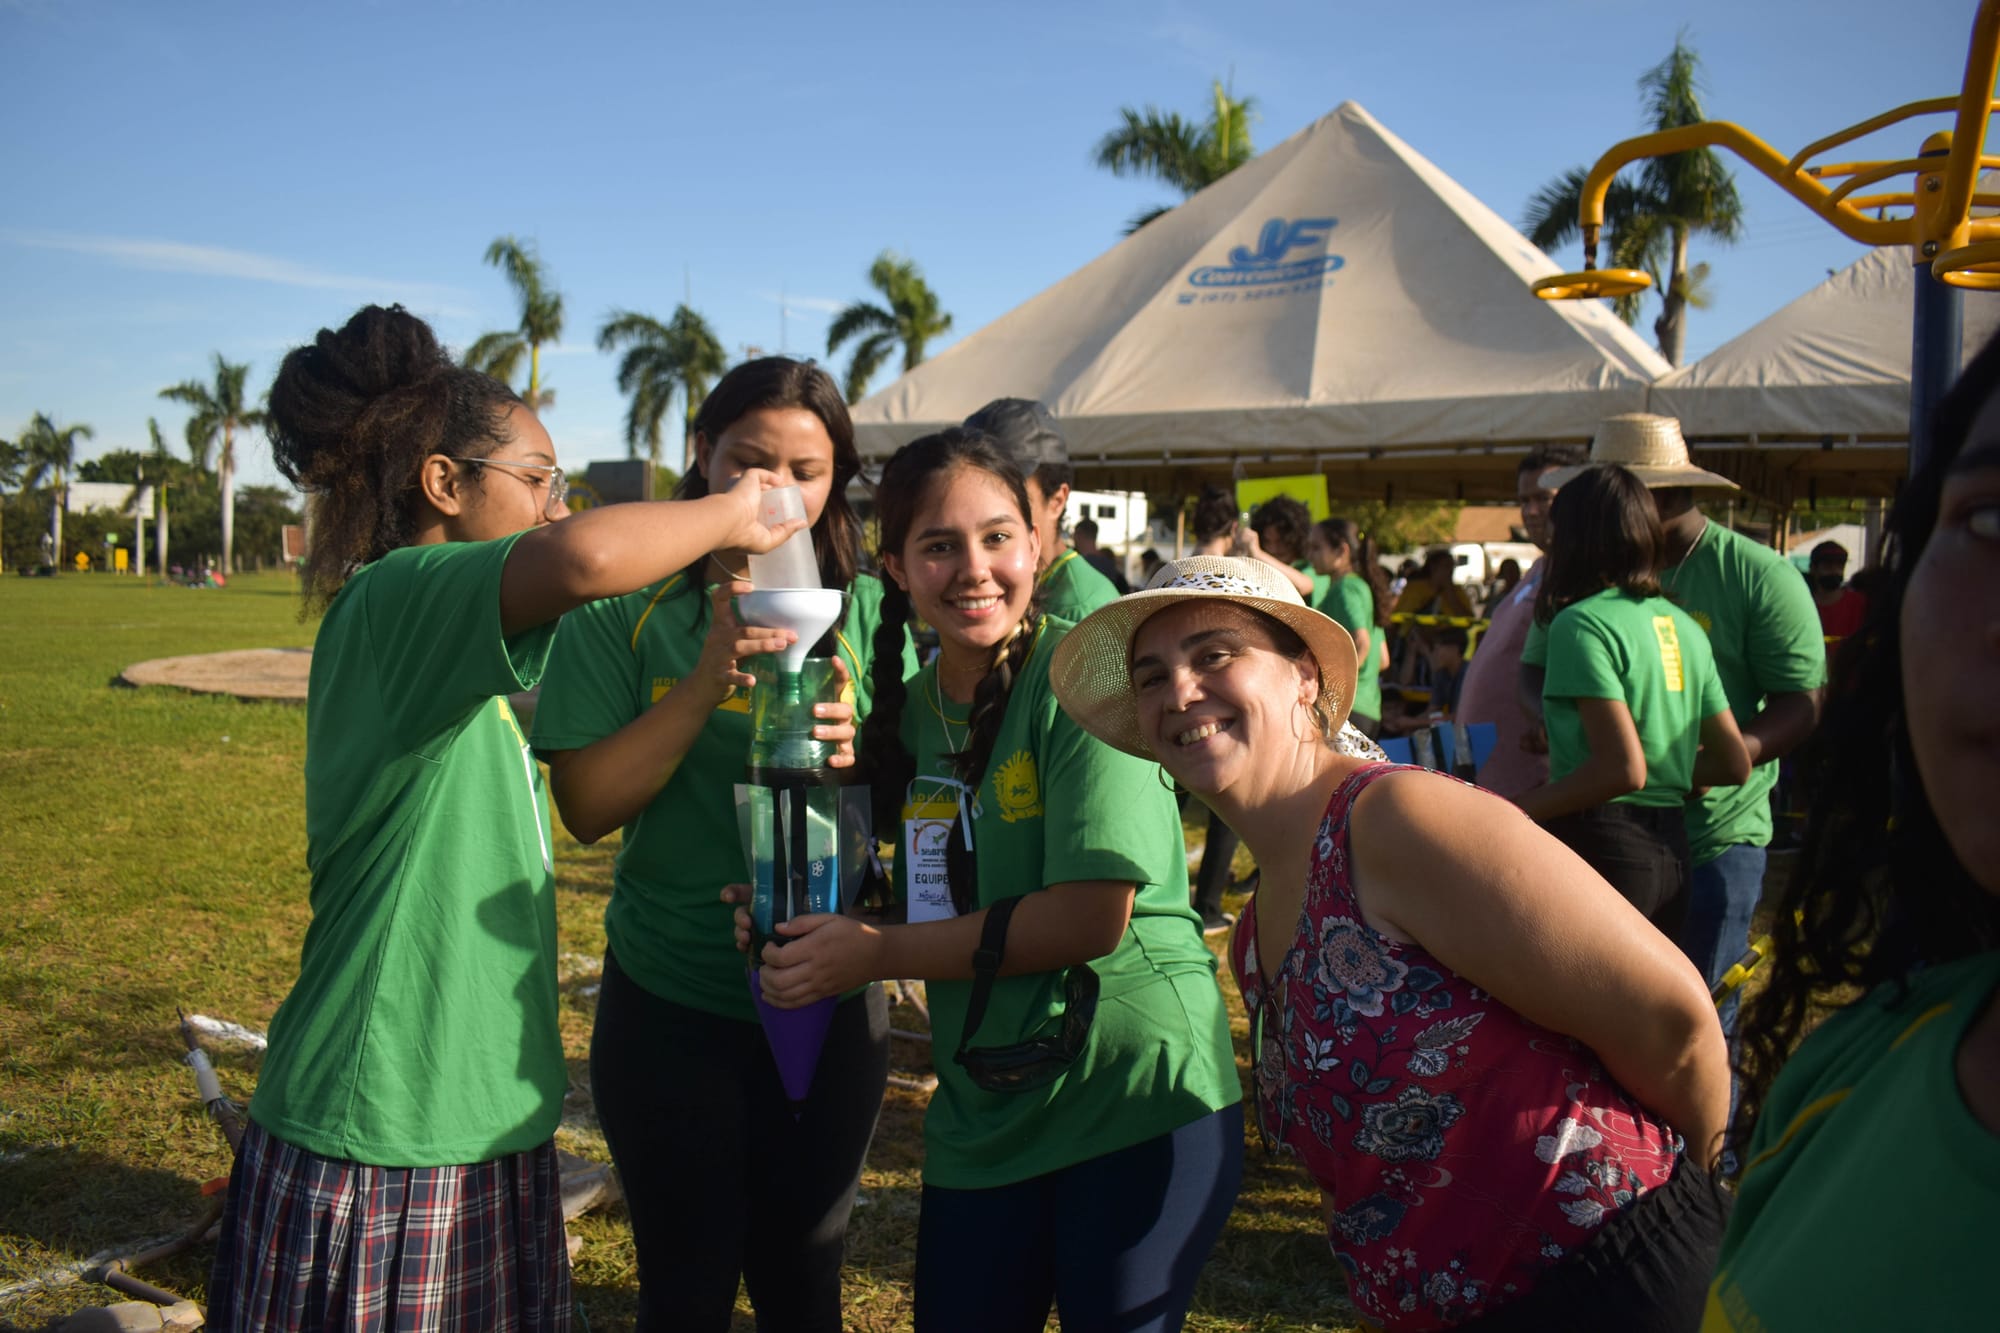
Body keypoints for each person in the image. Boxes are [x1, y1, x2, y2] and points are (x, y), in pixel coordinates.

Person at [206, 304, 807, 1331]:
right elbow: (582, 559)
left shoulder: (457, 644)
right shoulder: (397, 597)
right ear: (443, 483)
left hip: (476, 1114)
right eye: (537, 480)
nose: (554, 507)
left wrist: (711, 668)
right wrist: (738, 505)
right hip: (388, 1121)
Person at [1050, 555, 1730, 1332]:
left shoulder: (1393, 820)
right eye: (1151, 676)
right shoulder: (1254, 932)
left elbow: (1671, 1019)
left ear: (1303, 676)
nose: (1179, 691)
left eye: (1214, 654)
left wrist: (1698, 1195)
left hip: (1611, 1280)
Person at [748, 428, 1243, 1333]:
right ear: (896, 568)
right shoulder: (911, 710)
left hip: (1130, 1092)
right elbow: (928, 895)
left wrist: (875, 951)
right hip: (986, 1101)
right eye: (939, 545)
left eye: (997, 537)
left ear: (1038, 543)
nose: (974, 569)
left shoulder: (1082, 681)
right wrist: (797, 916)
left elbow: (1088, 916)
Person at [529, 358, 906, 1331]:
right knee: (685, 1285)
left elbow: (909, 824)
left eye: (805, 471)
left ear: (837, 479)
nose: (775, 494)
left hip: (829, 996)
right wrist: (705, 682)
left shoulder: (875, 615)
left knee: (801, 1278)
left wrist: (855, 765)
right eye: (748, 462)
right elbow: (586, 806)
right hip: (670, 996)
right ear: (702, 455)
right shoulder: (626, 606)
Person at [1704, 327, 2000, 1330]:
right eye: (1991, 518)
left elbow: (1795, 700)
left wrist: (1730, 754)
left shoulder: (1750, 579)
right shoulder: (1848, 1070)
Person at [1543, 415, 1825, 1041]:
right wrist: (1562, 725)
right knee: (1642, 1033)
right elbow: (1536, 671)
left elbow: (1802, 700)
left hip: (1711, 836)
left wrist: (1684, 766)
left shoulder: (1757, 574)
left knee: (1688, 1029)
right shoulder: (1611, 599)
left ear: (1655, 497)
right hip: (1633, 832)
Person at [1515, 466, 1751, 934]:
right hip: (1673, 852)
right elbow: (1733, 763)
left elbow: (1622, 770)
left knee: (1575, 983)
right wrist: (1669, 772)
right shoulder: (1683, 625)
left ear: (1574, 539)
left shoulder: (1580, 623)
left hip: (1600, 844)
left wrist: (1512, 811)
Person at [1455, 447, 1586, 798]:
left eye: (1543, 498)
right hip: (1496, 774)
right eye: (1523, 500)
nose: (1530, 511)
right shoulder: (1540, 568)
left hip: (1537, 781)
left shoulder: (1580, 576)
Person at [963, 397, 1118, 624]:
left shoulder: (1080, 610)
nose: (991, 514)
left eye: (1014, 500)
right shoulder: (1000, 587)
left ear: (1057, 501)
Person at [1187, 484, 1253, 932]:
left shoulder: (1173, 571)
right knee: (1225, 813)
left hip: (1173, 717)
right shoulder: (1230, 576)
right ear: (1232, 527)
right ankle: (1207, 905)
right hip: (1216, 712)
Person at [1303, 516, 1391, 738]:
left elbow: (1362, 643)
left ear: (1342, 551)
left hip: (1347, 709)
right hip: (1370, 709)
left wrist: (1334, 690)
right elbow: (1382, 660)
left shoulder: (1345, 590)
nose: (1309, 555)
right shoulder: (1362, 588)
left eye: (1316, 548)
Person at [1244, 493, 1326, 605]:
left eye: (1280, 542)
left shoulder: (1313, 566)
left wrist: (1257, 554)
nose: (1273, 549)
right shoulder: (1260, 568)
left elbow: (1304, 586)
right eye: (1267, 541)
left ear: (1296, 539)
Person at [1805, 539, 1866, 640]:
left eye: (1840, 566)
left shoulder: (1858, 604)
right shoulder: (1803, 604)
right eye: (1828, 566)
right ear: (1813, 568)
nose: (1835, 571)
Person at [1071, 516, 1131, 593]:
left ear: (1079, 534)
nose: (1073, 538)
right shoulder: (1109, 565)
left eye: (1074, 534)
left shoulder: (1077, 564)